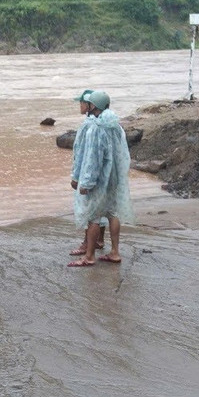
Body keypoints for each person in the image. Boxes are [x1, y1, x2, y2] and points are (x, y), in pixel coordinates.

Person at [67, 91, 134, 267]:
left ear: (93, 106)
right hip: (114, 177)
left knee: (93, 217)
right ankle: (115, 252)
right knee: (112, 213)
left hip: (99, 180)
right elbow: (123, 155)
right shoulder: (116, 126)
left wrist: (86, 182)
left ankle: (89, 256)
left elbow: (93, 158)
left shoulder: (96, 129)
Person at [69, 89, 106, 256]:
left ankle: (86, 244)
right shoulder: (105, 123)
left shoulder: (88, 126)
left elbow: (82, 152)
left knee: (89, 210)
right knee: (101, 208)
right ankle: (99, 240)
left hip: (88, 172)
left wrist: (77, 177)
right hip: (104, 174)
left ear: (90, 105)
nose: (80, 105)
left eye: (82, 103)